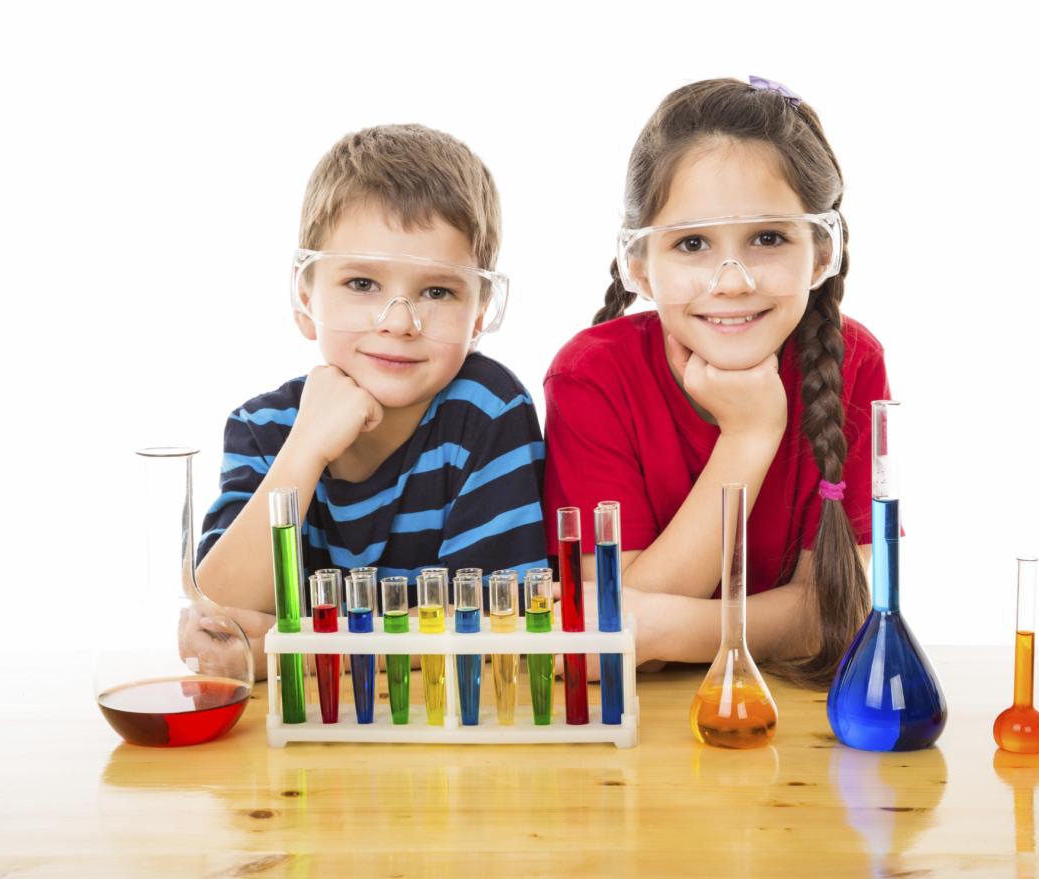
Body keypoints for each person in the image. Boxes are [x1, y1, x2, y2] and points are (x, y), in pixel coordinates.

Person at [543, 77, 890, 687]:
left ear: (821, 250)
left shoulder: (853, 361)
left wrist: (661, 629)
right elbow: (607, 637)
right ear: (639, 264)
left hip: (783, 708)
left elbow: (839, 609)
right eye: (693, 243)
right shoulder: (591, 376)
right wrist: (749, 437)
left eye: (768, 238)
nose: (731, 282)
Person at [196, 124, 547, 677]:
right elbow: (218, 620)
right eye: (362, 284)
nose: (400, 323)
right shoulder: (263, 428)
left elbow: (501, 629)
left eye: (437, 291)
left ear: (480, 312)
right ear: (305, 296)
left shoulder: (487, 411)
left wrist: (299, 653)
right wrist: (306, 450)